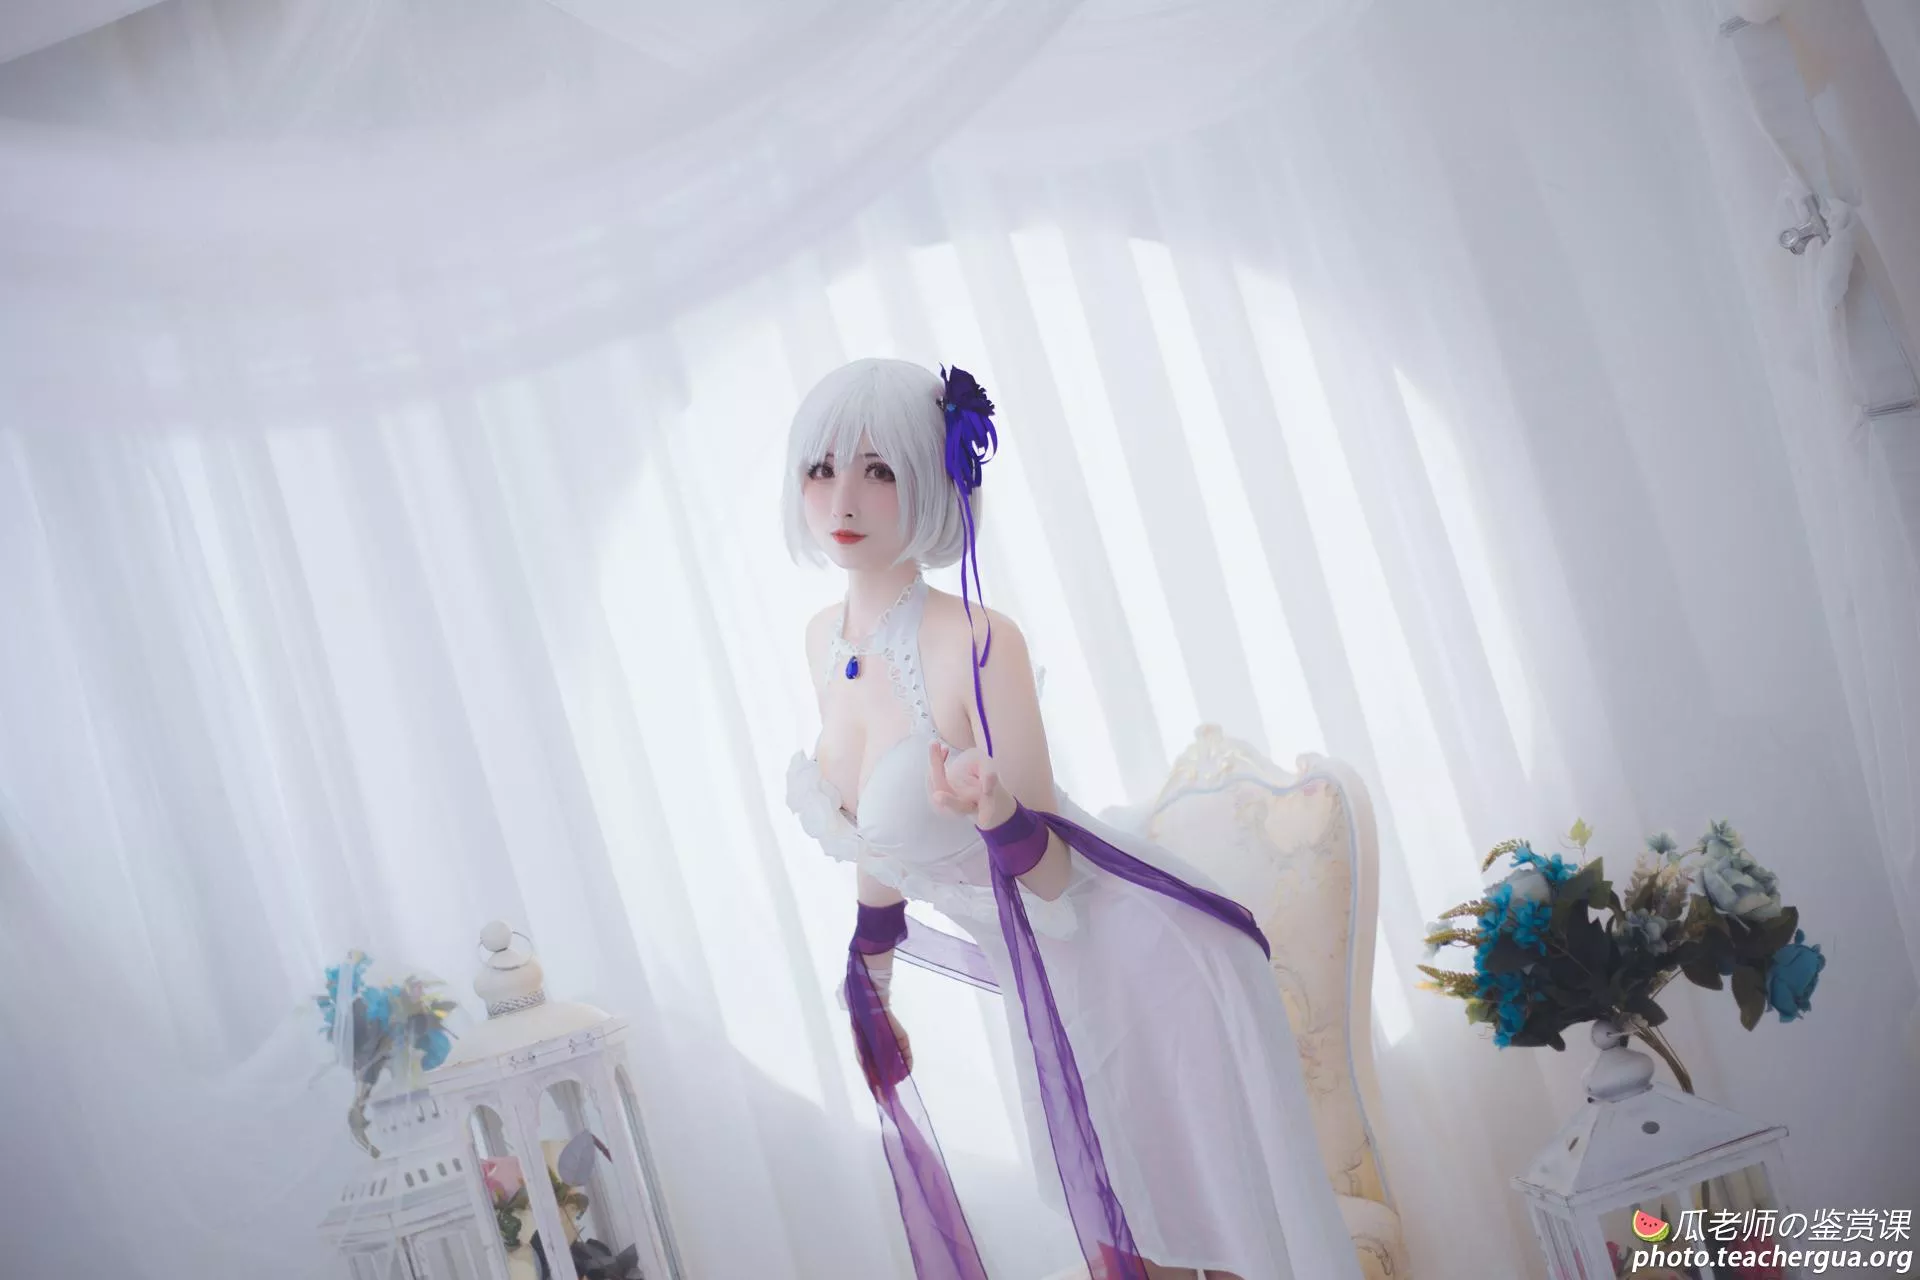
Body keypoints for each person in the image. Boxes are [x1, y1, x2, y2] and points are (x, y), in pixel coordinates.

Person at [782, 357, 1363, 1280]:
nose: (842, 498)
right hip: (1043, 983)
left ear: (931, 477)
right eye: (822, 468)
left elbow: (1051, 878)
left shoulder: (979, 640)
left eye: (879, 470)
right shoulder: (824, 638)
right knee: (1119, 1234)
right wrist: (872, 976)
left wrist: (995, 809)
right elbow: (875, 837)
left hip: (1131, 967)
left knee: (1181, 1244)